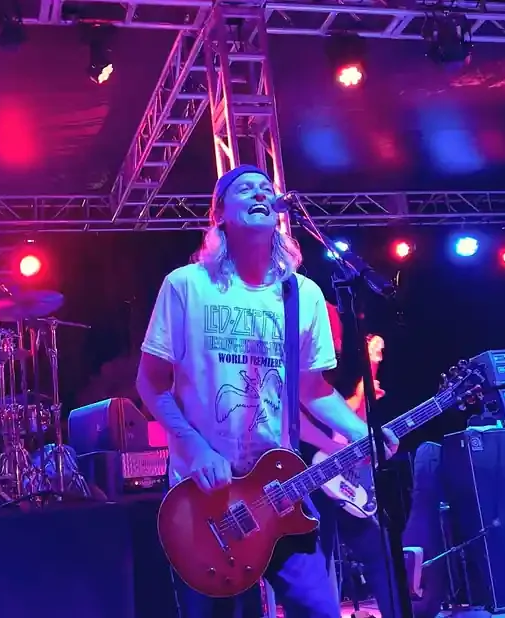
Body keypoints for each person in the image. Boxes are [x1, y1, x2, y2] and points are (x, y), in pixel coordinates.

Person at [136, 165, 400, 618]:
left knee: (320, 610)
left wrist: (362, 433)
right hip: (205, 497)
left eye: (266, 188)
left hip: (280, 488)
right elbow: (151, 383)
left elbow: (312, 390)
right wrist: (195, 449)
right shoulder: (186, 285)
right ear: (219, 213)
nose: (260, 192)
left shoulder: (303, 295)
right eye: (245, 188)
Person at [300, 302, 398, 618]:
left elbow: (345, 425)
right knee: (316, 561)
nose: (336, 341)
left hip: (340, 477)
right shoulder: (297, 366)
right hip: (305, 473)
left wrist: (362, 403)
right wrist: (335, 443)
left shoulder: (333, 369)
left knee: (379, 549)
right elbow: (298, 421)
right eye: (331, 332)